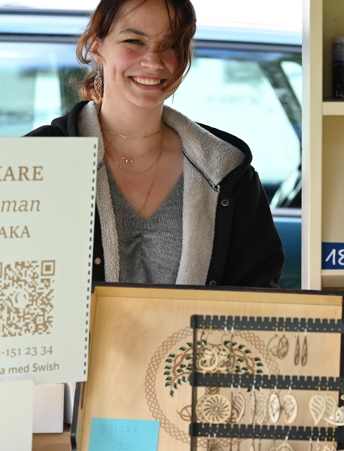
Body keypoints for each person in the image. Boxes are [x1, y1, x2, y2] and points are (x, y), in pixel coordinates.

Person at [27, 0, 284, 287]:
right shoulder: (38, 160)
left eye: (171, 45)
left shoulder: (229, 173)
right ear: (96, 46)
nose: (154, 61)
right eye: (134, 41)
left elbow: (257, 299)